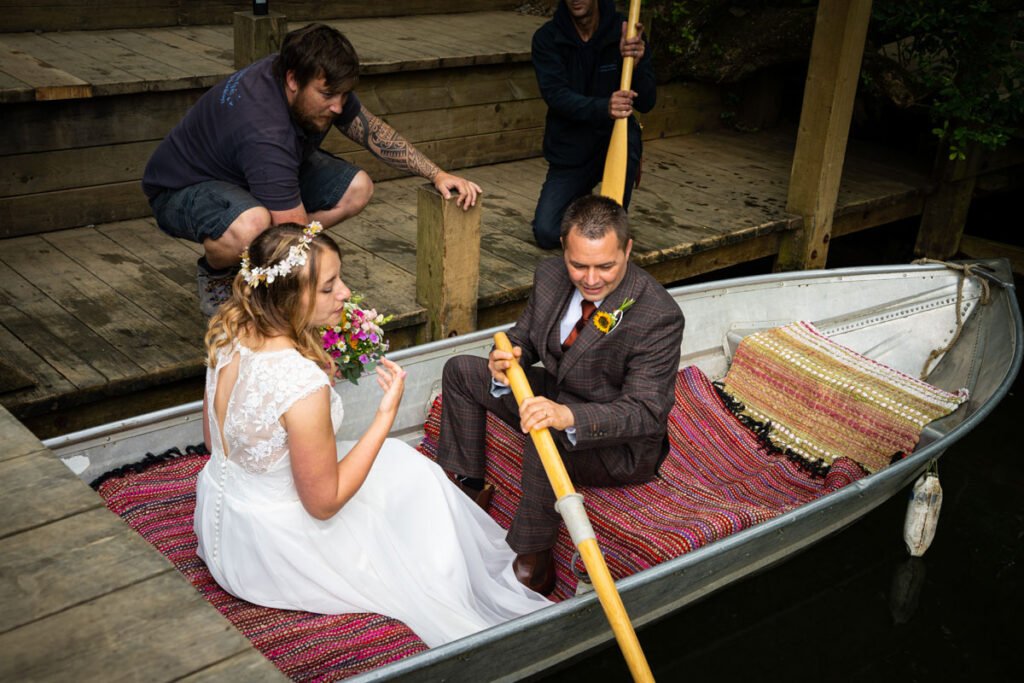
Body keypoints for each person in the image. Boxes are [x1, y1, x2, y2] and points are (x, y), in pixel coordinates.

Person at [193, 223, 550, 647]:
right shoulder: (298, 381)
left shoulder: (230, 328)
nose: (344, 293)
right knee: (412, 473)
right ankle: (457, 582)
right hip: (274, 554)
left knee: (402, 467)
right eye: (328, 288)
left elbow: (216, 445)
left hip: (224, 527)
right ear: (290, 297)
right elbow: (323, 505)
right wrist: (385, 415)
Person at [143, 23, 482, 316]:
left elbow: (372, 130)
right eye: (328, 95)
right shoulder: (264, 131)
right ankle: (217, 272)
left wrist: (436, 173)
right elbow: (293, 230)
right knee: (254, 225)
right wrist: (337, 296)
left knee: (358, 188)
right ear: (293, 79)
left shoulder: (307, 74)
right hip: (183, 188)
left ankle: (265, 254)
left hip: (250, 174)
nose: (338, 106)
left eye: (344, 95)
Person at [436, 195, 684, 595]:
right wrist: (510, 354)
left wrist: (567, 417)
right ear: (564, 251)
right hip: (560, 391)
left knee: (543, 428)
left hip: (618, 444)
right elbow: (527, 336)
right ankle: (468, 488)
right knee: (462, 371)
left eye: (605, 266)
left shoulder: (659, 315)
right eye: (578, 264)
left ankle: (533, 556)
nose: (590, 279)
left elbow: (645, 413)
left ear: (628, 250)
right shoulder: (550, 275)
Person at [530, 0, 655, 249]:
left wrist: (636, 64)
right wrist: (603, 107)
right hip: (571, 151)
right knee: (546, 232)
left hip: (613, 146)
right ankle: (585, 199)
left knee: (606, 234)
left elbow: (648, 101)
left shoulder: (625, 33)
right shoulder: (547, 38)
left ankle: (612, 207)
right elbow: (557, 96)